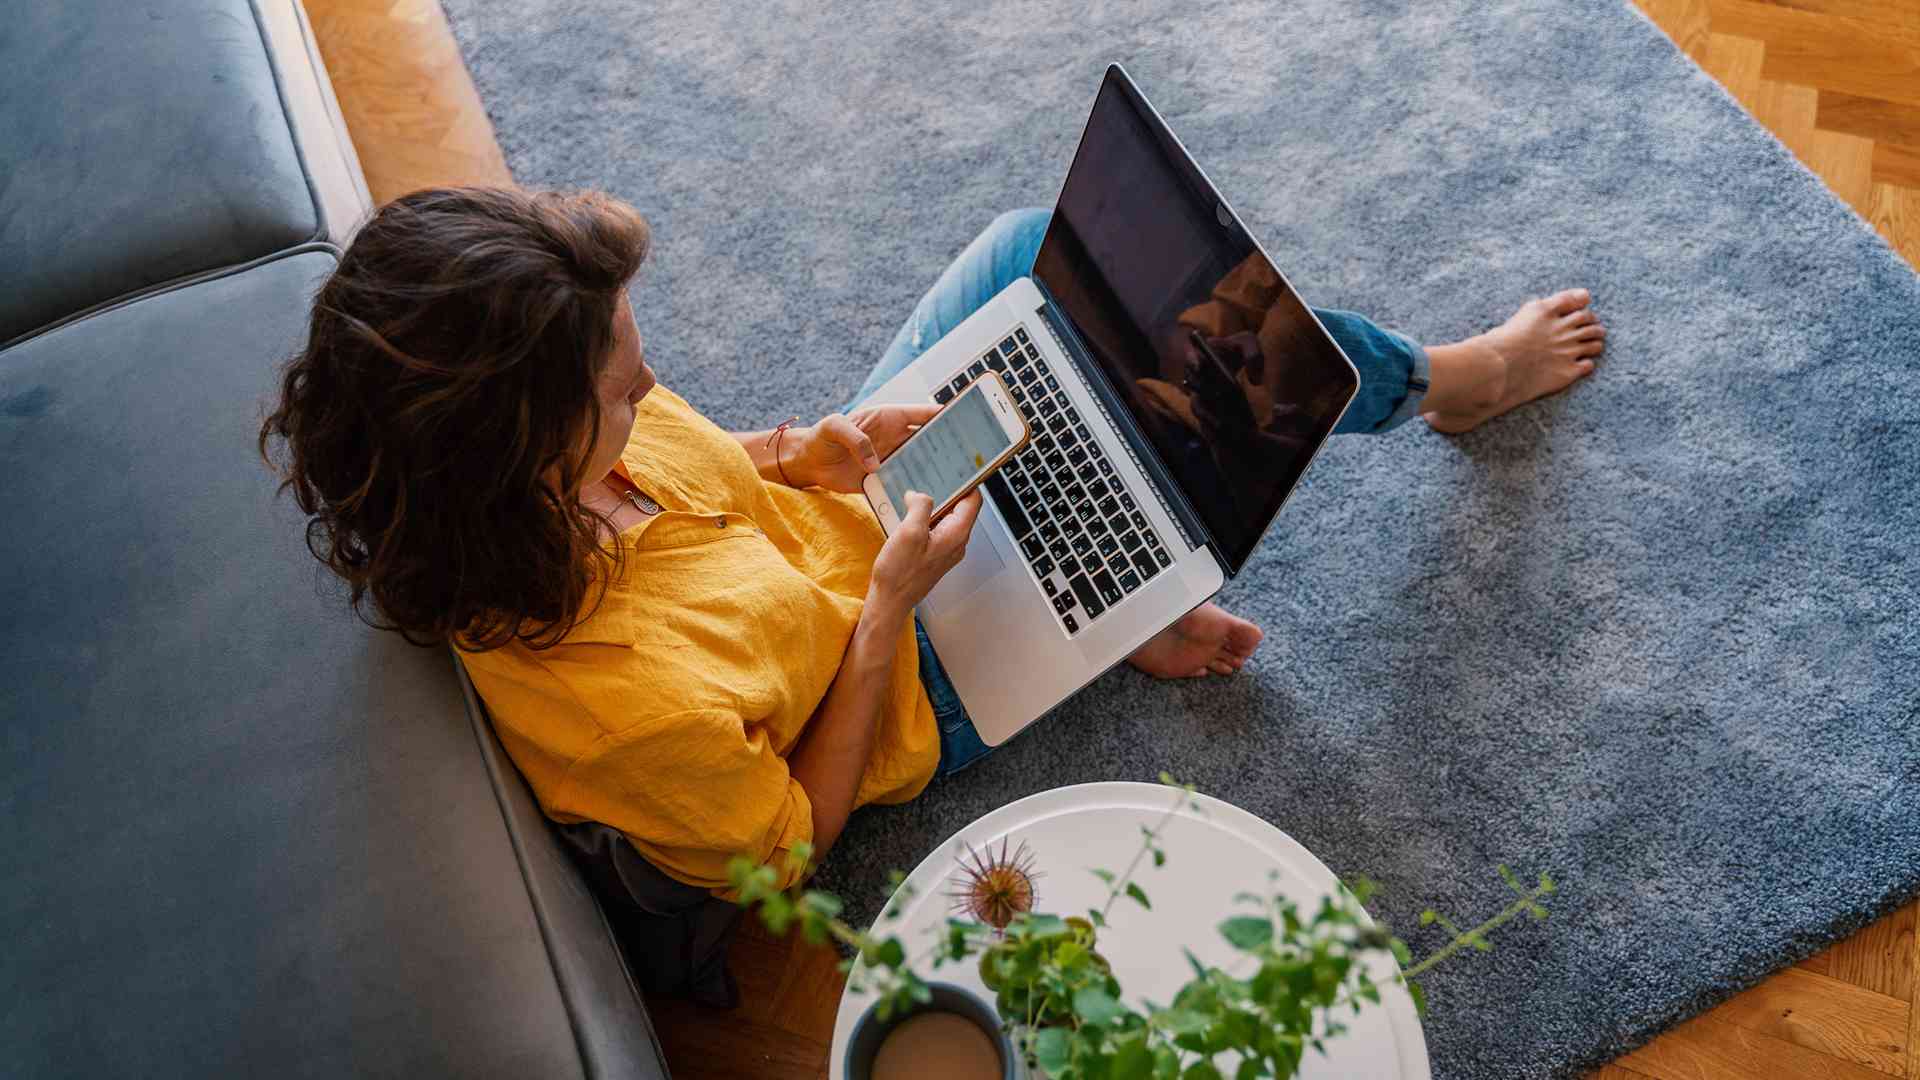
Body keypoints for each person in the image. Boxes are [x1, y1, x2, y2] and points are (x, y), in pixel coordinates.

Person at [260, 188, 1605, 894]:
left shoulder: (550, 452)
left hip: (862, 516)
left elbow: (708, 456)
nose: (648, 390)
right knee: (1166, 422)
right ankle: (1452, 381)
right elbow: (791, 842)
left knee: (1047, 254)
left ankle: (1102, 580)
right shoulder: (621, 710)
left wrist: (810, 453)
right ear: (520, 454)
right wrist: (890, 614)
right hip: (904, 675)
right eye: (621, 392)